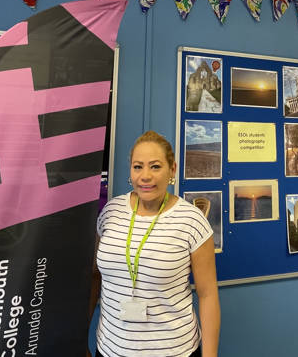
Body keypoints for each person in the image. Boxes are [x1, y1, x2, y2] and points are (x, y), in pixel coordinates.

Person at [88, 131, 220, 357]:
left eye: (156, 167)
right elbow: (94, 278)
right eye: (138, 167)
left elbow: (208, 295)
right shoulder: (110, 212)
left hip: (174, 350)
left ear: (172, 170)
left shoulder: (191, 220)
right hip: (110, 349)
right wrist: (78, 341)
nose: (145, 176)